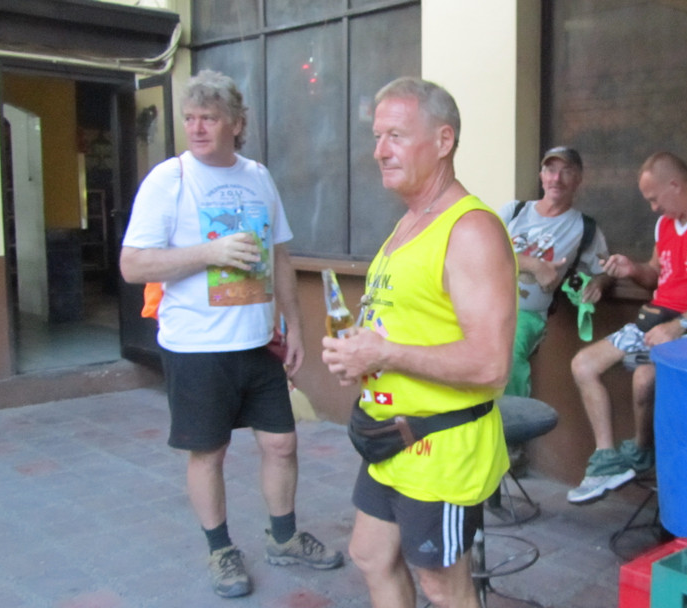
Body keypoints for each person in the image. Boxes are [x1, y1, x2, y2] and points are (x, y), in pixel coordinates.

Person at [120, 69, 342, 599]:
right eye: (190, 118)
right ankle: (220, 550)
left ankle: (283, 538)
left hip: (257, 341)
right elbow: (132, 264)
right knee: (208, 452)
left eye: (210, 118)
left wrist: (294, 324)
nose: (197, 128)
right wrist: (209, 252)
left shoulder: (258, 177)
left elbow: (280, 255)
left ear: (237, 124)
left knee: (282, 443)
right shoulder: (169, 180)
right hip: (196, 346)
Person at [321, 76, 516, 608]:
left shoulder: (470, 230)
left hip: (441, 449)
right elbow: (410, 324)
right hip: (390, 440)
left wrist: (383, 353)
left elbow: (491, 364)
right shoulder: (409, 223)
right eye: (377, 137)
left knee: (442, 586)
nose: (380, 151)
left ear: (444, 140)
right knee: (370, 555)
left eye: (397, 136)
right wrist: (359, 350)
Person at [567, 152, 687, 504]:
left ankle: (641, 451)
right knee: (583, 364)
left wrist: (680, 325)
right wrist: (632, 269)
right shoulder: (666, 224)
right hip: (653, 319)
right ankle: (607, 460)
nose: (653, 208)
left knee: (645, 379)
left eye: (654, 199)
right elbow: (655, 275)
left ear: (675, 185)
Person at [500, 146, 612, 398]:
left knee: (509, 355)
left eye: (566, 171)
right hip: (484, 307)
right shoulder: (514, 211)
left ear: (578, 179)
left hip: (527, 315)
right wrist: (534, 265)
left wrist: (599, 284)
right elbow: (482, 254)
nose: (556, 179)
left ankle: (514, 421)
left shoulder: (585, 228)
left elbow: (604, 270)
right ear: (541, 175)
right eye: (550, 170)